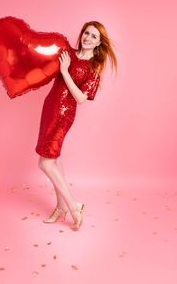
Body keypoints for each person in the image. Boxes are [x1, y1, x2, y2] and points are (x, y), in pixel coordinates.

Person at [35, 21, 117, 231]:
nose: (88, 38)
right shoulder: (67, 53)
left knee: (44, 163)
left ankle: (73, 206)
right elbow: (43, 64)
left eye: (94, 37)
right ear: (82, 34)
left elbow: (81, 98)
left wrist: (65, 71)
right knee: (54, 160)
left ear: (99, 43)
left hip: (63, 114)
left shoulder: (94, 68)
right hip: (49, 107)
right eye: (86, 33)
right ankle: (60, 207)